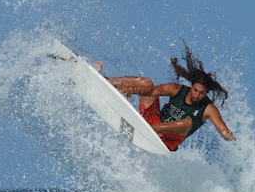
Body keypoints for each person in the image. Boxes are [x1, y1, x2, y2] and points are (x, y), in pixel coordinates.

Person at [95, 42, 236, 151]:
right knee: (147, 84)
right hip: (153, 122)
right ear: (191, 86)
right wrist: (132, 89)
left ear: (206, 93)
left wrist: (227, 135)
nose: (197, 95)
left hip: (168, 141)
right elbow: (148, 92)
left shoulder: (208, 108)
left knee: (187, 122)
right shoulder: (176, 89)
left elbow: (223, 130)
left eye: (201, 93)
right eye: (195, 90)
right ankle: (105, 80)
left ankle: (149, 129)